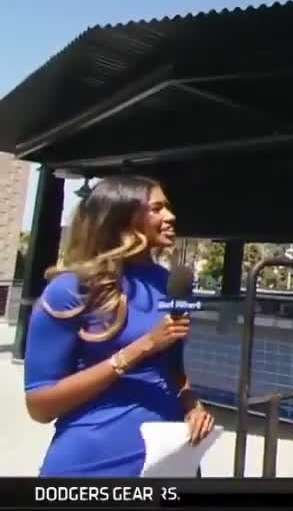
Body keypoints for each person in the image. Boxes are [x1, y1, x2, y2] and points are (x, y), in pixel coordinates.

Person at [23, 176, 216, 477]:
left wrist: (191, 403)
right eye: (157, 208)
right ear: (124, 217)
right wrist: (139, 349)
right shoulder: (70, 290)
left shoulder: (171, 285)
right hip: (92, 462)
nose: (170, 216)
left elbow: (174, 370)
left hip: (168, 461)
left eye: (168, 207)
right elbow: (39, 406)